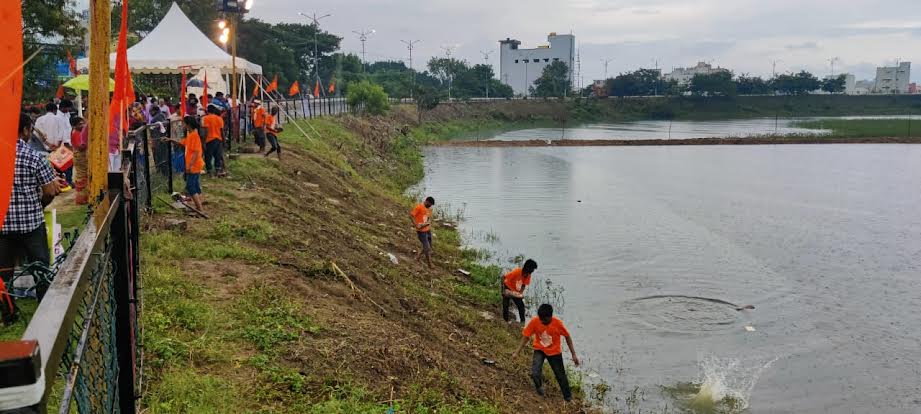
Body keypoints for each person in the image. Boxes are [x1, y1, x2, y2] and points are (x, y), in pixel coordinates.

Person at [1, 114, 65, 323]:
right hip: (31, 224)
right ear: (26, 130)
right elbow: (49, 190)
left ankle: (8, 313)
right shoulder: (34, 156)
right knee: (40, 268)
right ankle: (45, 311)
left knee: (4, 273)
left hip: (2, 226)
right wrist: (40, 205)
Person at [512, 304, 580, 402]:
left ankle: (568, 397)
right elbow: (526, 336)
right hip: (540, 349)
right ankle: (539, 389)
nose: (542, 321)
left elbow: (567, 337)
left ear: (550, 317)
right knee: (535, 372)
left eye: (544, 320)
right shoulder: (535, 321)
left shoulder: (558, 324)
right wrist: (516, 352)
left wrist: (573, 354)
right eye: (541, 319)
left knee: (560, 376)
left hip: (554, 352)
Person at [163, 116, 205, 212]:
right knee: (195, 185)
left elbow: (195, 152)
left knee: (190, 186)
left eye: (184, 123)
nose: (182, 125)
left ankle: (199, 209)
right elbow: (183, 143)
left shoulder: (194, 135)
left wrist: (190, 165)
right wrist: (170, 139)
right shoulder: (191, 135)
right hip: (195, 164)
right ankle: (199, 204)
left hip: (194, 165)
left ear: (188, 125)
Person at [502, 259, 538, 323]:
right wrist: (504, 290)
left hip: (515, 291)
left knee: (521, 306)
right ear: (527, 268)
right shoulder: (517, 271)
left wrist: (520, 294)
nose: (532, 271)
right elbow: (505, 278)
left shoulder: (528, 275)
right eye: (532, 269)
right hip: (507, 287)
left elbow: (523, 285)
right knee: (506, 305)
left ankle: (522, 322)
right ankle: (505, 321)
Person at [409, 196, 435, 267]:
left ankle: (417, 258)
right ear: (426, 201)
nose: (430, 206)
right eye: (429, 204)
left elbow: (428, 218)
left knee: (428, 246)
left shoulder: (429, 209)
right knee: (427, 248)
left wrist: (428, 223)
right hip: (421, 231)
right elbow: (411, 215)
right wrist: (416, 225)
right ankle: (429, 264)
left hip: (428, 230)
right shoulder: (419, 207)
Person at [70, 116, 89, 205]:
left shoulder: (79, 132)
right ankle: (81, 199)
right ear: (74, 126)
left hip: (81, 157)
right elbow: (81, 147)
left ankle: (84, 197)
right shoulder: (76, 133)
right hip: (80, 157)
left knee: (84, 176)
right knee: (82, 176)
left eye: (83, 123)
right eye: (80, 124)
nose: (82, 125)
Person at [201, 105, 225, 175]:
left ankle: (209, 171)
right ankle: (218, 170)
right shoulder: (219, 118)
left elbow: (205, 130)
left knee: (208, 155)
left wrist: (203, 141)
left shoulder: (206, 118)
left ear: (207, 111)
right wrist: (223, 140)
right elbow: (222, 130)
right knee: (218, 155)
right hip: (218, 139)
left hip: (209, 139)